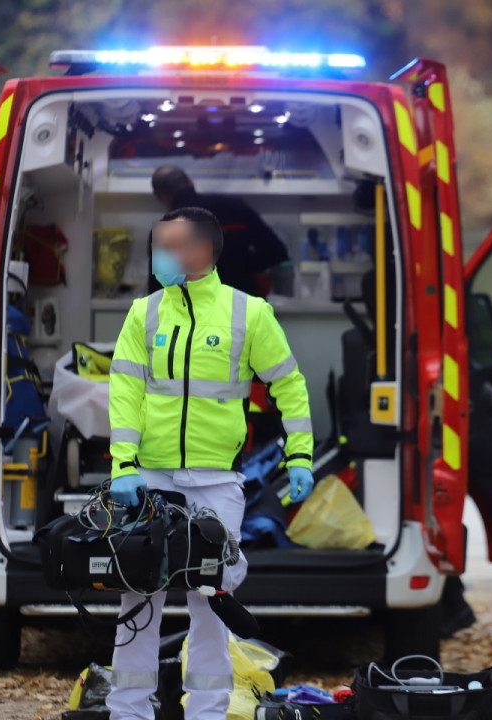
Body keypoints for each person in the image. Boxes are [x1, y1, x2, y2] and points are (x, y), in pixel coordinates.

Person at [107, 206, 315, 720]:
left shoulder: (249, 314)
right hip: (150, 477)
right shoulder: (145, 313)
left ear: (198, 251)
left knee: (211, 600)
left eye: (165, 246)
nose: (155, 256)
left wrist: (300, 455)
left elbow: (288, 384)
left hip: (215, 481)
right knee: (137, 598)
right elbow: (125, 391)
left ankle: (206, 712)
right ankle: (127, 712)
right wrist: (123, 466)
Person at [150, 166, 289, 297]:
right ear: (191, 183)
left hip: (194, 315)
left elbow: (158, 290)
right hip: (241, 307)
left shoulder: (165, 228)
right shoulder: (236, 207)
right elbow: (277, 252)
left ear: (159, 196)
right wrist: (241, 267)